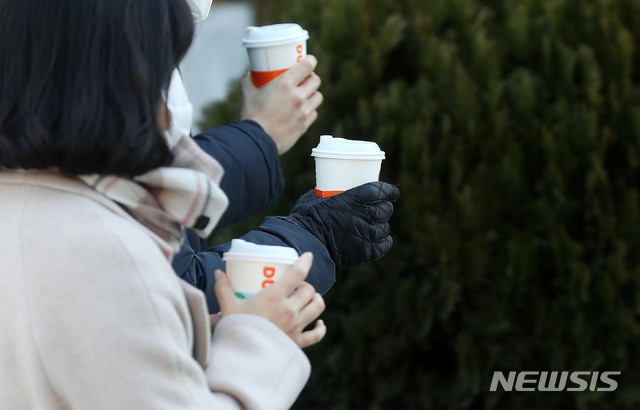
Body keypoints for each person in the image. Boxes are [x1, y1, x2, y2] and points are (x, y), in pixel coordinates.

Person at [0, 0, 325, 408]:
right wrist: (258, 339)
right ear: (123, 82)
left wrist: (203, 330)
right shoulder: (106, 247)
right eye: (164, 66)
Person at [174, 1, 401, 313]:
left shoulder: (139, 24)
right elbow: (175, 291)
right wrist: (260, 133)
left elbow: (161, 194)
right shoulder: (119, 26)